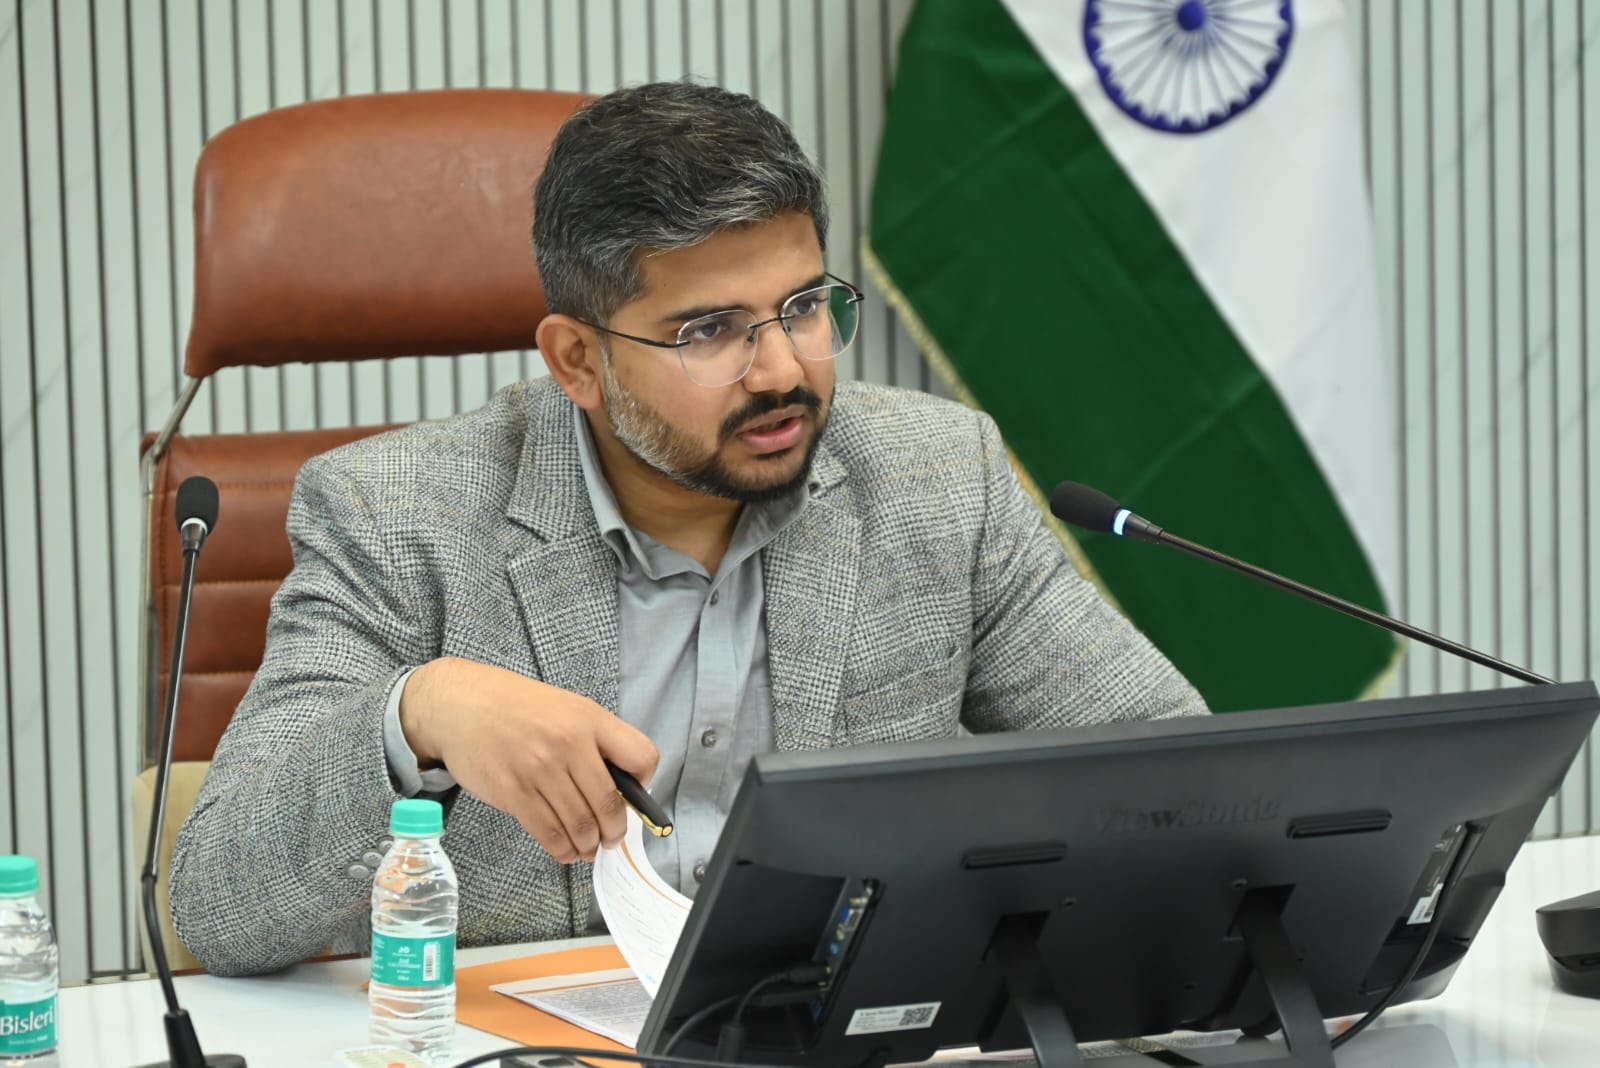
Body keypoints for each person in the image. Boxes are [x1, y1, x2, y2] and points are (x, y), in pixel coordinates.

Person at [169, 81, 1206, 977]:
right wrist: (421, 713)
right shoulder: (395, 515)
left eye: (804, 307)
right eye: (710, 330)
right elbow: (217, 906)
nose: (783, 370)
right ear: (577, 361)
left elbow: (1182, 789)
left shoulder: (936, 477)